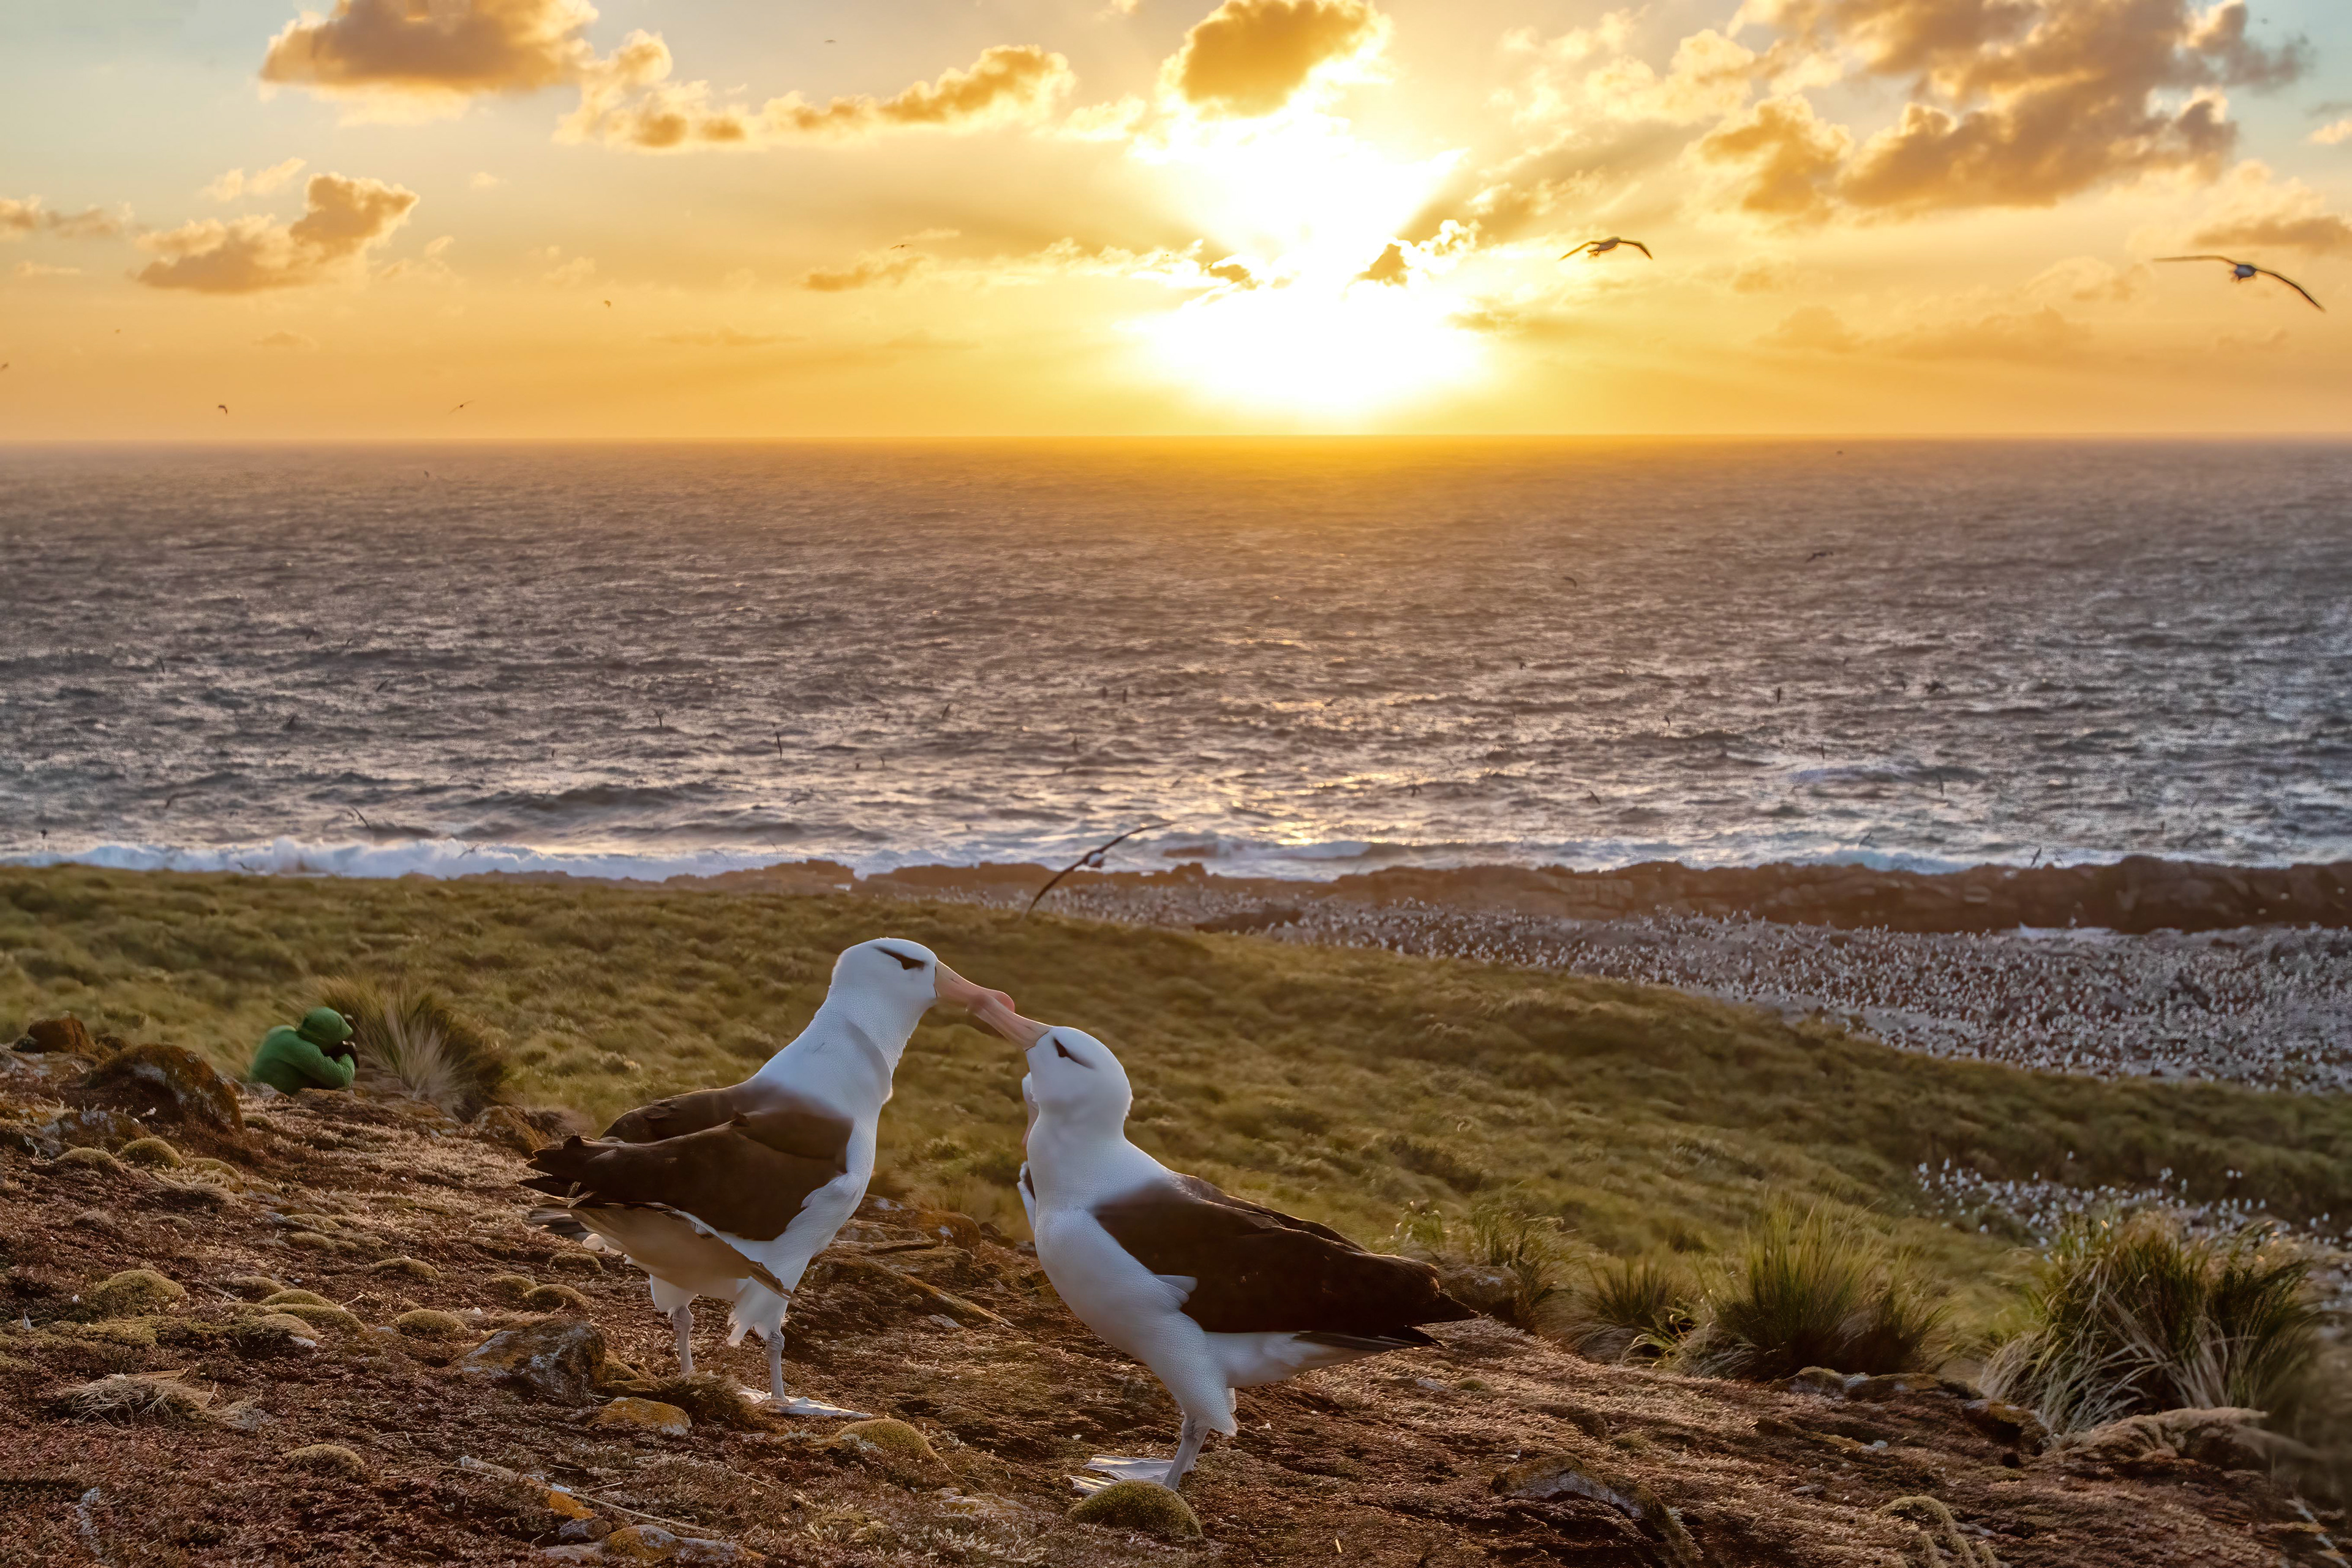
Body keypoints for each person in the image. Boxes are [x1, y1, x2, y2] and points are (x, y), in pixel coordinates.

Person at [248, 1006, 359, 1093]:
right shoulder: (305, 1051)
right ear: (325, 1040)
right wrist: (346, 1053)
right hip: (263, 1096)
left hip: (253, 1088)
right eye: (338, 1041)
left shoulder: (282, 1031)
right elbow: (343, 1080)